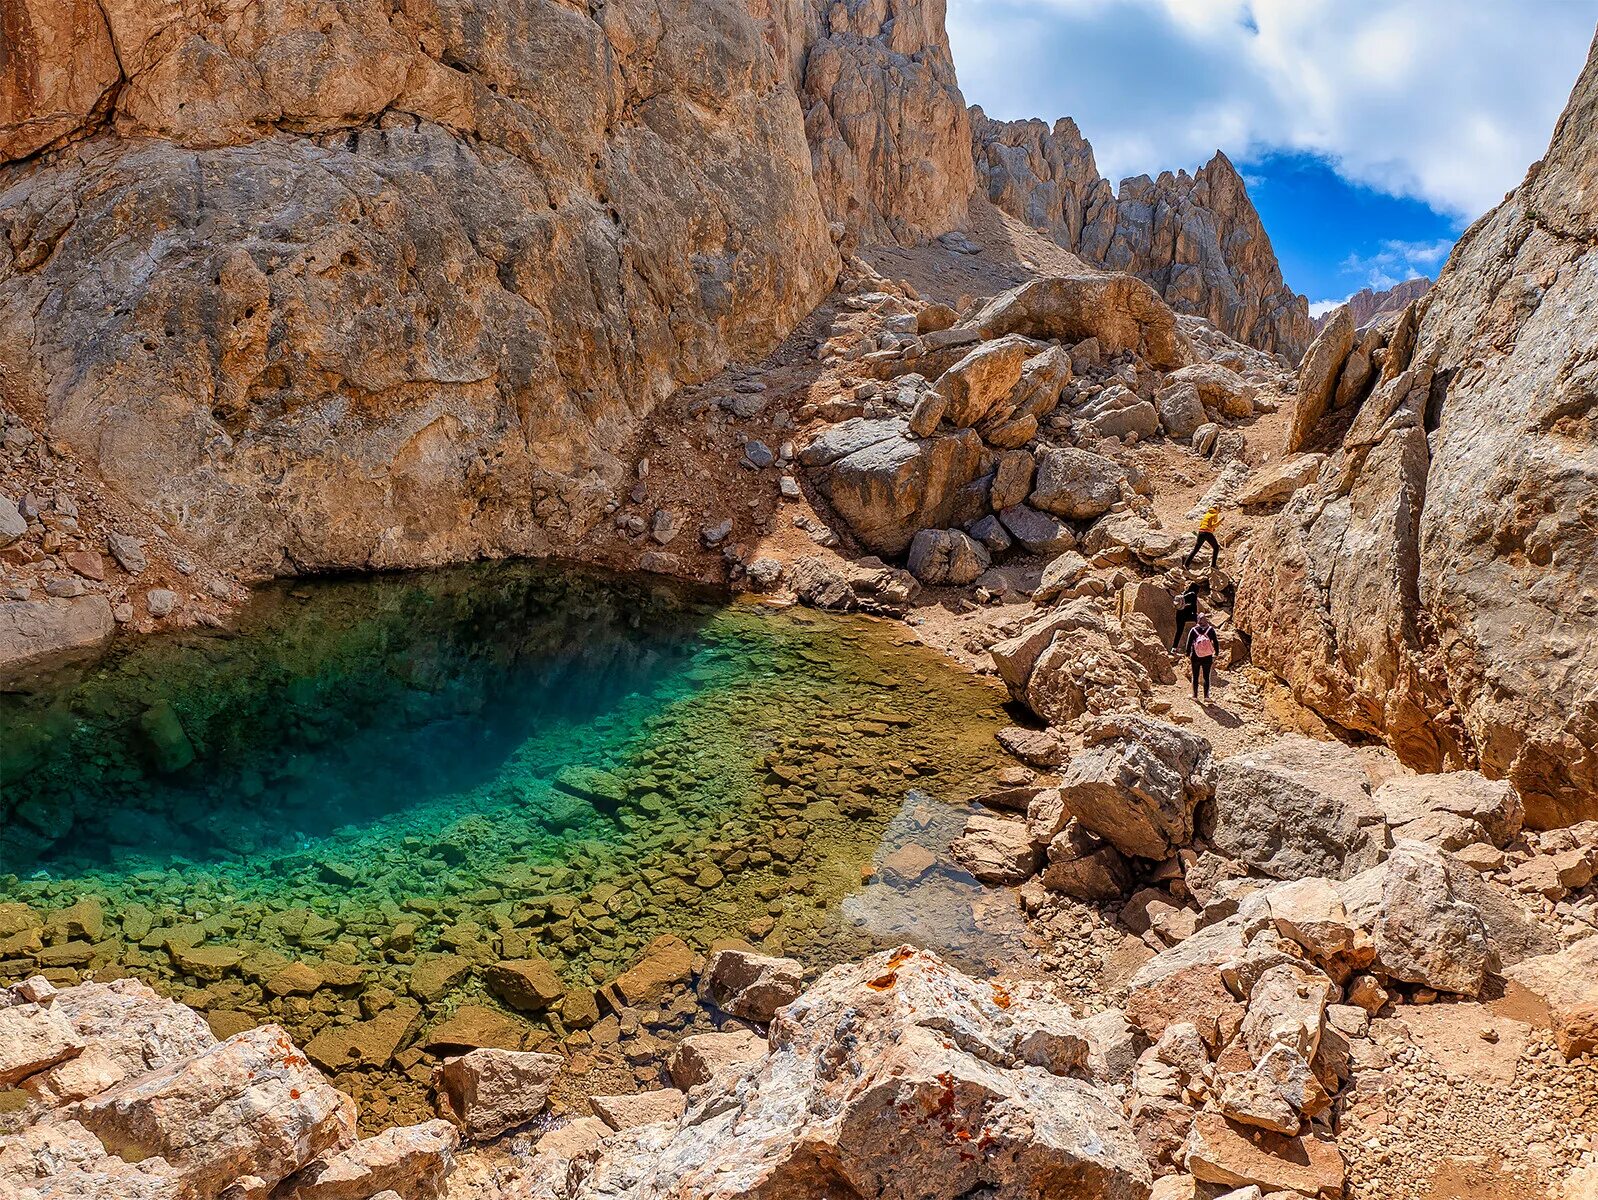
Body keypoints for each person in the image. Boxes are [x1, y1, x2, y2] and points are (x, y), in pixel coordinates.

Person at [1184, 613, 1218, 700]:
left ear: (1198, 620)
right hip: (1208, 656)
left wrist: (1187, 654)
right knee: (1206, 676)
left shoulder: (1193, 630)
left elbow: (1188, 643)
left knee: (1195, 676)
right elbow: (1216, 642)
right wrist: (1216, 653)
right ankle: (1206, 696)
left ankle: (1195, 696)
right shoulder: (1210, 630)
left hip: (1195, 656)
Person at [1184, 507, 1222, 571]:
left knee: (1196, 549)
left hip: (1201, 532)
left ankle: (1186, 564)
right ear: (1217, 510)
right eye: (1219, 510)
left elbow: (1202, 524)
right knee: (1216, 548)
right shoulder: (1214, 515)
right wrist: (1220, 521)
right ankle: (1213, 565)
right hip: (1207, 533)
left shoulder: (1207, 514)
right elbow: (1212, 525)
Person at [1171, 582, 1199, 651]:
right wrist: (1195, 616)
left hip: (1179, 614)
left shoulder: (1184, 593)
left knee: (1179, 631)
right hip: (1186, 615)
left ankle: (1174, 648)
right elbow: (1194, 608)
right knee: (1199, 621)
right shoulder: (1193, 595)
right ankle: (1197, 642)